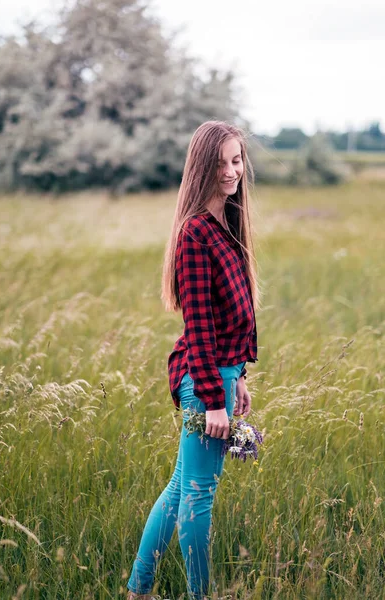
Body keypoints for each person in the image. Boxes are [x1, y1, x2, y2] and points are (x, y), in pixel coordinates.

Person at [127, 120, 260, 600]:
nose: (232, 172)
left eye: (237, 160)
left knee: (183, 486)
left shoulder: (227, 224)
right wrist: (215, 402)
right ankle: (198, 595)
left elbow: (233, 318)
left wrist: (239, 374)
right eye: (221, 162)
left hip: (220, 375)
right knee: (198, 496)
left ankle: (139, 588)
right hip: (202, 382)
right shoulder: (195, 235)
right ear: (202, 166)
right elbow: (200, 331)